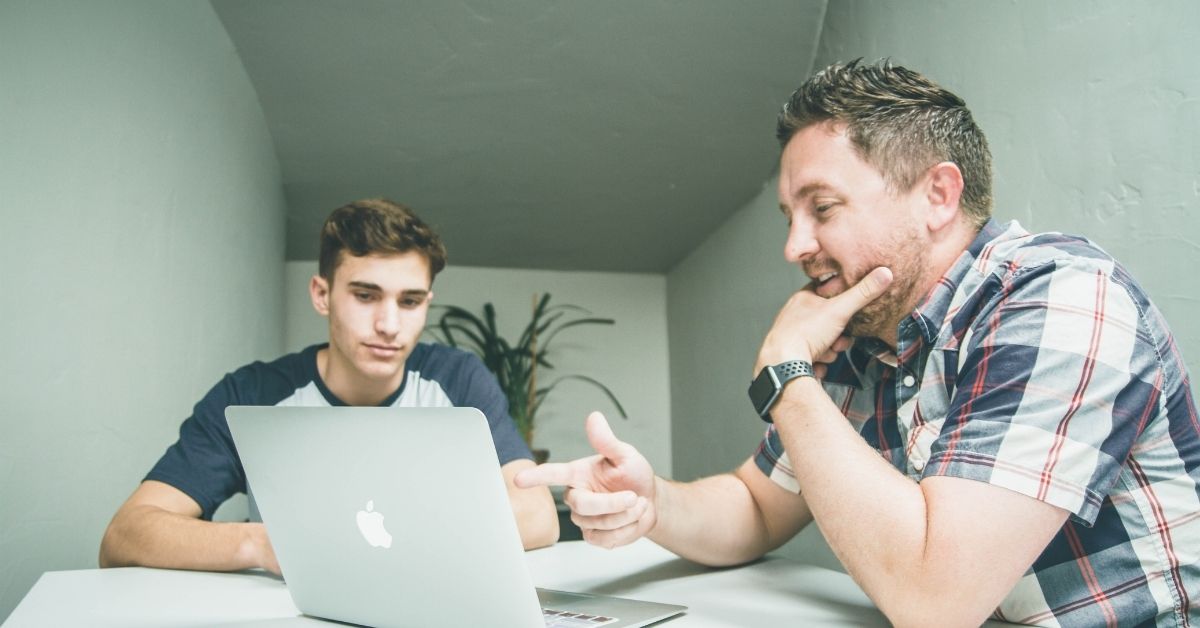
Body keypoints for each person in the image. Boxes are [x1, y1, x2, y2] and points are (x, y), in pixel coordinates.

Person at [517, 59, 1199, 627]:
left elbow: (936, 600)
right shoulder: (866, 337)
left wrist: (786, 373)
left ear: (937, 195)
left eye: (823, 208)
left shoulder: (1062, 299)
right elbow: (755, 507)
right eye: (790, 216)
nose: (794, 246)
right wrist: (653, 503)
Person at [100, 198, 559, 574]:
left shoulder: (457, 379)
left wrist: (383, 538)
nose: (389, 324)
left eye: (410, 301)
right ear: (322, 294)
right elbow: (126, 534)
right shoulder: (252, 394)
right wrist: (263, 545)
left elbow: (538, 516)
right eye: (365, 295)